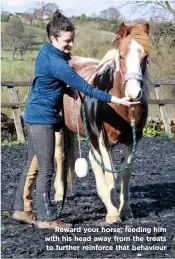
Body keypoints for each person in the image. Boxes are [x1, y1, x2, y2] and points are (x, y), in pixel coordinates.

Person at [12, 10, 135, 230]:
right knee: (47, 168)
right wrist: (116, 98)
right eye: (67, 41)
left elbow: (63, 68)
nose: (70, 46)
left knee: (34, 165)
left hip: (35, 115)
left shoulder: (46, 52)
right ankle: (46, 218)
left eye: (72, 41)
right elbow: (86, 88)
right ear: (54, 38)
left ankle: (22, 208)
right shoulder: (59, 65)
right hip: (43, 119)